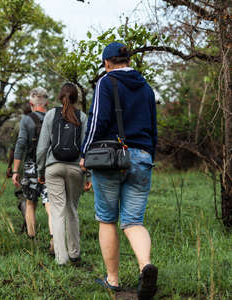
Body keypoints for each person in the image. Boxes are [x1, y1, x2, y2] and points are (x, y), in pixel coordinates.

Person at [79, 42, 158, 299]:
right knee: (134, 221)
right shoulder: (146, 87)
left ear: (107, 63)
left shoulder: (106, 82)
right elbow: (153, 128)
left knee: (107, 219)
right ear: (128, 60)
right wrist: (148, 155)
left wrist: (84, 152)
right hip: (143, 156)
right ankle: (145, 266)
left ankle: (112, 280)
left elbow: (98, 120)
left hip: (111, 158)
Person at [36, 83, 91, 265]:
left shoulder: (51, 114)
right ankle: (75, 254)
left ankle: (61, 258)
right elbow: (86, 148)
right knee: (72, 210)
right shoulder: (82, 117)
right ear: (76, 98)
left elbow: (42, 147)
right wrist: (88, 175)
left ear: (60, 97)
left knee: (57, 212)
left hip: (53, 167)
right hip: (75, 169)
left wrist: (40, 170)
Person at [12, 87, 53, 253]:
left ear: (31, 103)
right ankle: (53, 240)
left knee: (30, 203)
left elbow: (21, 143)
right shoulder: (54, 117)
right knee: (50, 205)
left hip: (31, 166)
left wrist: (15, 170)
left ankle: (32, 239)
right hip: (51, 166)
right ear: (47, 103)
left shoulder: (26, 120)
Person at [6, 103, 32, 232]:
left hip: (22, 165)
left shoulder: (19, 125)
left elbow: (13, 149)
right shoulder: (44, 121)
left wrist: (10, 166)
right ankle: (26, 225)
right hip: (41, 164)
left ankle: (29, 226)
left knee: (22, 195)